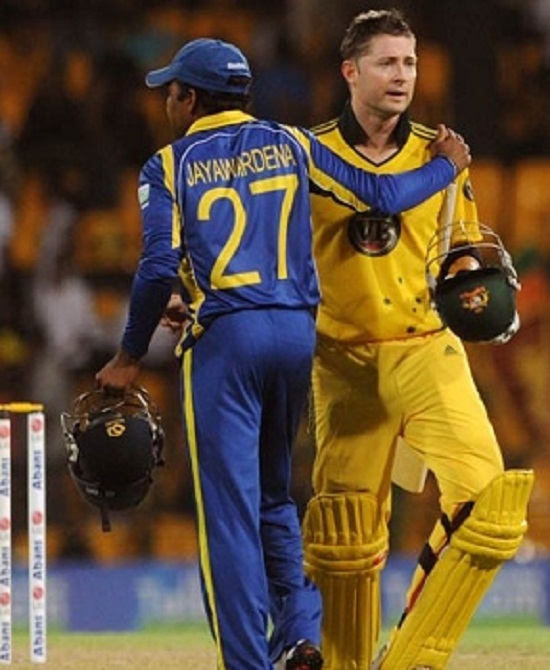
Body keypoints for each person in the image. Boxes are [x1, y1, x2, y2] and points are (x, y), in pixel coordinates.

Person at [94, 37, 469, 670]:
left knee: (228, 517)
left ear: (191, 98)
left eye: (172, 93)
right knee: (273, 498)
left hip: (227, 345)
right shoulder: (291, 143)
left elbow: (157, 265)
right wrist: (445, 168)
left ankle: (248, 663)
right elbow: (378, 196)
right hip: (294, 335)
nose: (167, 104)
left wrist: (129, 356)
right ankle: (298, 635)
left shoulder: (169, 164)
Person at [300, 9, 534, 670]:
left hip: (428, 346)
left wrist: (478, 285)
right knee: (344, 541)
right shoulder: (307, 154)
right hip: (341, 361)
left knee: (491, 505)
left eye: (409, 62)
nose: (402, 75)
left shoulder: (444, 152)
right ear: (351, 72)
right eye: (386, 62)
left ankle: (407, 662)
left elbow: (463, 247)